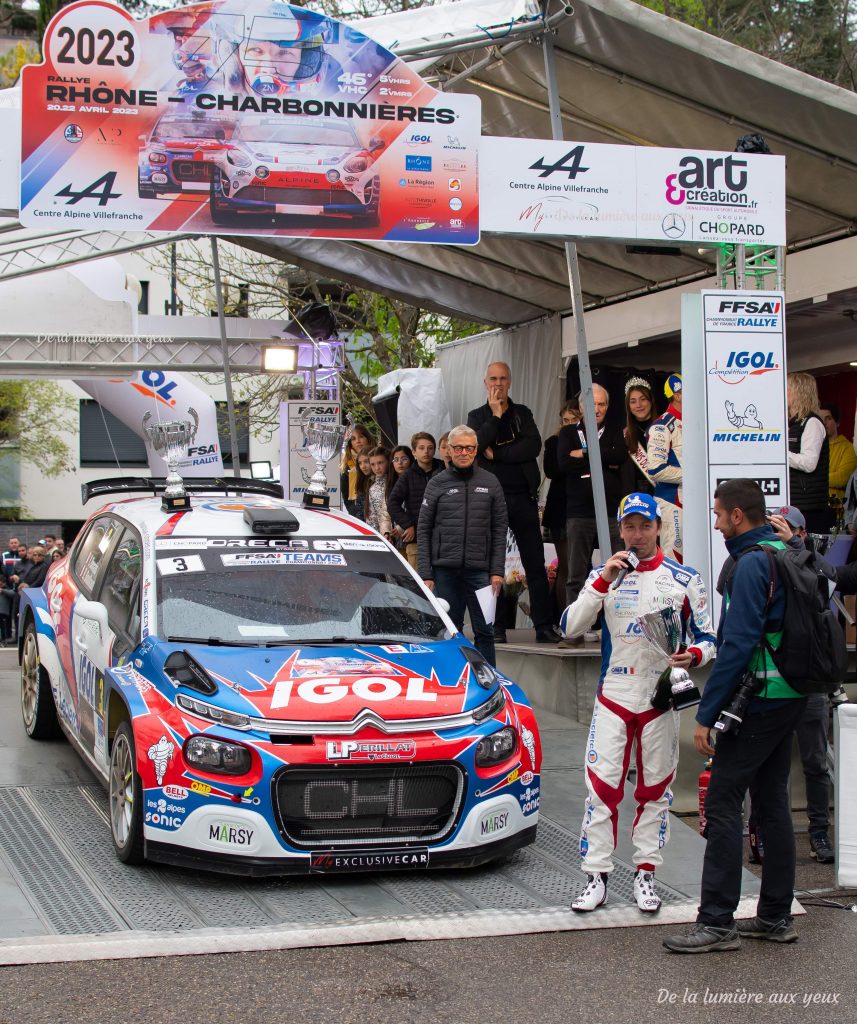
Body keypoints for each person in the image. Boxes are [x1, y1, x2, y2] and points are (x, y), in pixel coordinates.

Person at [664, 479, 807, 953]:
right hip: (790, 695)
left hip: (759, 699)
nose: (717, 520)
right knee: (771, 802)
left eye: (719, 514)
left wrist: (707, 712)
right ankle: (774, 916)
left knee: (724, 802)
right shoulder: (783, 552)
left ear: (738, 516)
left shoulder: (750, 565)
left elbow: (738, 644)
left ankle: (717, 922)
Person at [562, 492, 715, 914]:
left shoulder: (685, 578)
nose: (637, 535)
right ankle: (596, 875)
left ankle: (646, 873)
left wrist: (693, 655)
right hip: (614, 695)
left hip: (659, 697)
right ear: (619, 529)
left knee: (655, 791)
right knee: (601, 789)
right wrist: (602, 581)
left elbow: (708, 638)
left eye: (645, 526)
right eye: (629, 526)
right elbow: (569, 626)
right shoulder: (604, 574)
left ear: (658, 528)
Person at [467, 362, 560, 645]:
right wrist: (494, 418)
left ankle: (543, 626)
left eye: (503, 378)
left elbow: (533, 447)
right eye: (493, 379)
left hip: (522, 497)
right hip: (491, 498)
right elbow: (476, 446)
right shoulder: (477, 415)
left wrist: (499, 455)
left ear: (510, 382)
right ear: (486, 383)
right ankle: (494, 627)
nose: (498, 383)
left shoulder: (523, 413)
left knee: (534, 563)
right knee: (491, 565)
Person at [418, 425, 507, 666]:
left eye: (469, 447)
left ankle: (490, 685)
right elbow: (423, 530)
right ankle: (453, 683)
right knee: (450, 632)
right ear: (449, 450)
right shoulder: (437, 484)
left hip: (481, 572)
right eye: (458, 447)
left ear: (476, 450)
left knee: (485, 632)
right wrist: (426, 574)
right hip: (445, 571)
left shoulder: (491, 482)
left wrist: (497, 571)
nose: (464, 452)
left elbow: (500, 529)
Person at [557, 383, 627, 626]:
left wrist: (584, 454)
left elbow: (620, 456)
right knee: (576, 574)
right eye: (592, 404)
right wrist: (602, 456)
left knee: (617, 569)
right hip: (579, 512)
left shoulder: (615, 430)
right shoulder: (568, 433)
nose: (596, 409)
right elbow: (563, 464)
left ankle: (614, 625)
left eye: (601, 404)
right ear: (581, 406)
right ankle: (574, 628)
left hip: (609, 511)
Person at [543, 401, 581, 623]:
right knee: (566, 566)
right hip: (560, 509)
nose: (568, 425)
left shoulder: (588, 442)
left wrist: (579, 455)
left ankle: (583, 620)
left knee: (584, 567)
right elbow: (553, 470)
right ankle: (565, 621)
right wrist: (572, 456)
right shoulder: (553, 441)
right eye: (565, 421)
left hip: (584, 508)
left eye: (573, 421)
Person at [388, 432, 444, 571]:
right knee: (420, 586)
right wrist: (408, 525)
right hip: (418, 541)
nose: (426, 451)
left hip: (444, 540)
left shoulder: (444, 470)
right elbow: (392, 503)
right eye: (421, 448)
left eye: (430, 448)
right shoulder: (408, 476)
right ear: (413, 451)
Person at [787, 371, 831, 533]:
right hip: (797, 502)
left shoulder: (812, 423)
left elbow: (809, 462)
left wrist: (781, 455)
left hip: (809, 506)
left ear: (798, 392)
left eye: (788, 389)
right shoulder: (795, 423)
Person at [647, 372, 683, 561]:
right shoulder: (662, 425)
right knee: (675, 560)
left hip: (693, 501)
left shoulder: (694, 422)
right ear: (677, 394)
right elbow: (655, 469)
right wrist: (693, 476)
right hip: (672, 502)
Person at [623, 377, 657, 494]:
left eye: (643, 399)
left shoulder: (664, 428)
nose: (638, 405)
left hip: (660, 492)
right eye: (633, 401)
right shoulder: (625, 434)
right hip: (633, 493)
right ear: (628, 406)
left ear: (650, 401)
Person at [820, 403, 857, 503]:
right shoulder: (812, 447)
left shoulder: (846, 448)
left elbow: (843, 478)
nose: (824, 422)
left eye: (828, 418)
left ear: (837, 422)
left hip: (835, 508)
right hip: (813, 504)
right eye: (820, 419)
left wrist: (815, 479)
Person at [340, 424, 374, 518]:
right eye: (353, 439)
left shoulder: (380, 458)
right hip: (358, 515)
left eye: (361, 437)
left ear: (367, 438)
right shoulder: (348, 466)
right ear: (350, 443)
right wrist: (354, 512)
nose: (358, 441)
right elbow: (346, 497)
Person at [364, 446, 394, 538]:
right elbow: (372, 519)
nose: (377, 467)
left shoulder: (398, 483)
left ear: (388, 462)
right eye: (373, 464)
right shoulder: (372, 489)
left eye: (380, 463)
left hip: (402, 535)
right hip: (384, 538)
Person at [352, 451, 373, 522]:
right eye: (360, 463)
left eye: (366, 462)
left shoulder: (383, 481)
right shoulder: (361, 481)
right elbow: (359, 509)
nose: (363, 466)